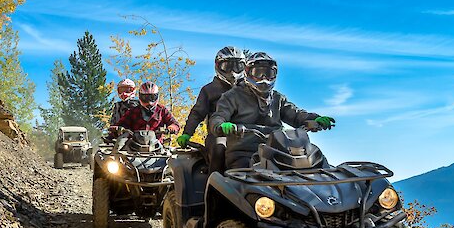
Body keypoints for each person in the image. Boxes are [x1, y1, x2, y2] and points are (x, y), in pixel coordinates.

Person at [208, 52, 335, 170]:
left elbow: (295, 114)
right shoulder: (232, 96)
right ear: (248, 73)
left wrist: (313, 119)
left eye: (269, 74)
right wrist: (221, 125)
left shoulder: (277, 98)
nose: (264, 78)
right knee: (242, 180)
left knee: (315, 166)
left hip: (279, 152)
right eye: (258, 73)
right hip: (244, 152)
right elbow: (218, 116)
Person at [176, 46, 245, 174]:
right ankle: (214, 188)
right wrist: (187, 133)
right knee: (219, 149)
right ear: (218, 66)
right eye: (227, 66)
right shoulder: (209, 90)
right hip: (218, 135)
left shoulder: (248, 90)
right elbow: (197, 113)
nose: (232, 71)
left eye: (237, 66)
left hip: (246, 134)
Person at [113, 81, 180, 138]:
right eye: (145, 98)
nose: (149, 101)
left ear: (157, 96)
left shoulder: (162, 110)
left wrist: (171, 128)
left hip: (157, 146)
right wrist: (117, 129)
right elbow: (121, 124)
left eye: (152, 97)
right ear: (140, 96)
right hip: (134, 146)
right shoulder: (133, 111)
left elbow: (174, 123)